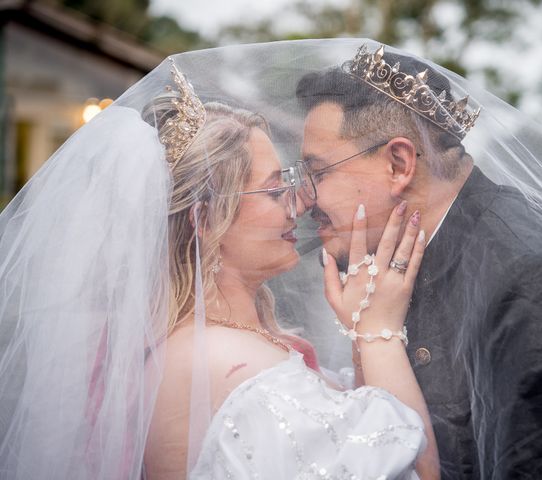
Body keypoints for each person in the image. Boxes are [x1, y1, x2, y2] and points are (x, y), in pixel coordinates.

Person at [0, 53, 439, 479]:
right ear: (205, 220)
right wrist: (378, 334)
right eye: (274, 191)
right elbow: (415, 470)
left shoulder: (188, 346)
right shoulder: (233, 367)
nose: (300, 203)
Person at [295, 43, 542, 479]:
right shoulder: (410, 268)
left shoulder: (533, 286)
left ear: (399, 164)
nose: (307, 199)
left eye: (319, 173)